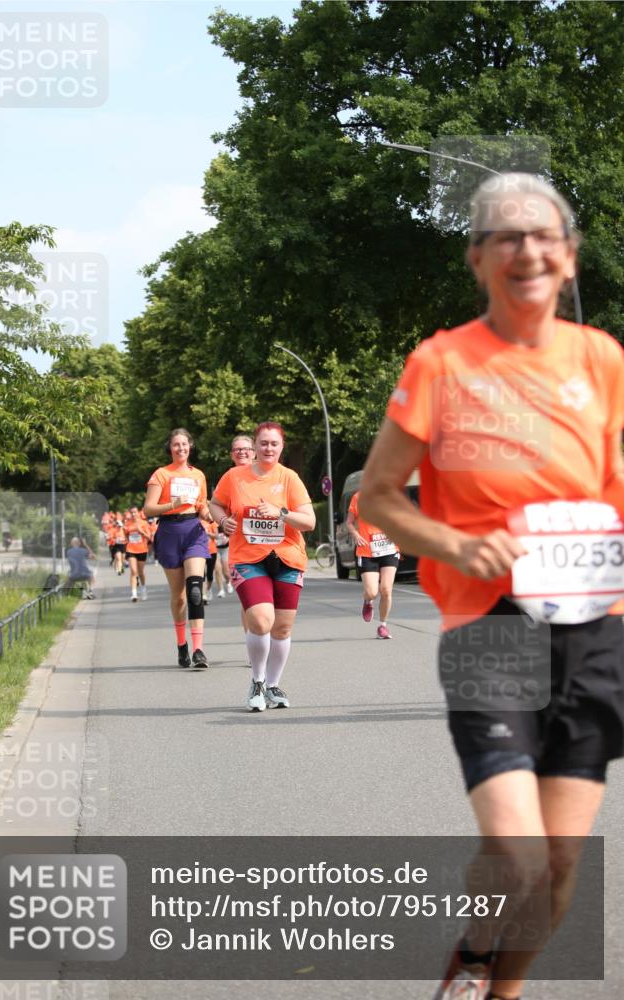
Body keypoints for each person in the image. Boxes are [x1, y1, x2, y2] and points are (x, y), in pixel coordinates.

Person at [359, 173, 624, 1000]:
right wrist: (450, 545)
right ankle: (474, 957)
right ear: (477, 258)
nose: (526, 250)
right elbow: (372, 498)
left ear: (570, 256)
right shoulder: (440, 364)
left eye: (543, 235)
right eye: (504, 236)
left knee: (557, 875)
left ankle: (485, 988)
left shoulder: (602, 360)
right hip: (489, 630)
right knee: (517, 857)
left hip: (593, 631)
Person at [209, 422, 316, 711]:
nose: (268, 448)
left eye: (274, 444)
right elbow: (214, 504)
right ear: (255, 446)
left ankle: (273, 684)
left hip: (288, 558)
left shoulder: (290, 478)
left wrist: (281, 513)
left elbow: (309, 521)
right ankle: (257, 681)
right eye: (264, 443)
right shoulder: (235, 477)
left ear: (282, 447)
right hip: (248, 557)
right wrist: (222, 521)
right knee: (260, 620)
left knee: (282, 628)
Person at [144, 428, 212, 669]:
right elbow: (148, 509)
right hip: (170, 532)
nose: (181, 448)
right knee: (179, 597)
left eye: (184, 444)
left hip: (194, 530)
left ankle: (199, 650)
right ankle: (182, 645)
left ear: (190, 446)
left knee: (195, 589)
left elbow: (202, 505)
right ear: (170, 448)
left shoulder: (199, 475)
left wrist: (209, 514)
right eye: (176, 445)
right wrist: (171, 504)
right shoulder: (161, 475)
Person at [347, 489, 400, 639]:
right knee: (372, 592)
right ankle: (368, 600)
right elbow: (349, 522)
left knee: (386, 590)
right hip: (367, 552)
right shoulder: (358, 498)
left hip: (390, 549)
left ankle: (383, 626)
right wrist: (356, 535)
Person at [124, 506, 152, 602]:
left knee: (140, 573)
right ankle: (134, 593)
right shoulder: (127, 524)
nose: (133, 514)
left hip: (142, 550)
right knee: (133, 571)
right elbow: (126, 536)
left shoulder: (144, 523)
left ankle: (143, 589)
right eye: (131, 512)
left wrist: (141, 532)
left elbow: (149, 537)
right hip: (131, 550)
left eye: (135, 512)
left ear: (138, 513)